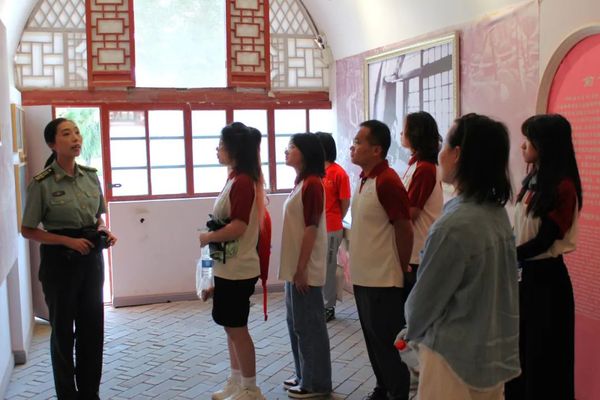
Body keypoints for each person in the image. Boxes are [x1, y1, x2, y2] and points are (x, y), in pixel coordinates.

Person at [405, 113, 520, 400]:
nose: (440, 152)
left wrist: (409, 332)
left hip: (451, 359)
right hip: (489, 355)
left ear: (457, 154)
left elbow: (423, 303)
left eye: (445, 144)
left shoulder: (453, 225)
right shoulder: (496, 214)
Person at [21, 118, 117, 400]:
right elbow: (28, 230)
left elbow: (97, 217)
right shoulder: (42, 183)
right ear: (53, 144)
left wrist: (104, 230)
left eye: (76, 132)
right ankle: (67, 394)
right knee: (63, 332)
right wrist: (67, 241)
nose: (76, 138)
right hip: (59, 263)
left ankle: (90, 392)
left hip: (91, 259)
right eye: (66, 134)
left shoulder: (90, 176)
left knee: (92, 329)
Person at [505, 114, 582, 400]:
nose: (523, 145)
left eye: (529, 139)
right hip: (524, 276)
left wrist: (505, 255)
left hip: (547, 281)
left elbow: (544, 240)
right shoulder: (532, 180)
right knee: (521, 355)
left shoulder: (563, 187)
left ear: (546, 144)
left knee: (544, 359)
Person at [199, 122, 266, 400]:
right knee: (230, 326)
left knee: (238, 328)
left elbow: (238, 226)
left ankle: (250, 388)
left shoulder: (243, 182)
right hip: (228, 266)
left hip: (239, 268)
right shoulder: (235, 178)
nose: (217, 150)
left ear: (233, 149)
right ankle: (236, 381)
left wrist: (208, 237)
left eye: (221, 145)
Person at [349, 119, 414, 400]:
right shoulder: (365, 179)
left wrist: (401, 267)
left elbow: (404, 226)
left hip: (383, 279)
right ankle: (382, 388)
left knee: (388, 343)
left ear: (377, 150)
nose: (353, 147)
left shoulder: (388, 181)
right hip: (363, 276)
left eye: (358, 142)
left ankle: (397, 393)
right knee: (372, 340)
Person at [279, 133, 332, 399]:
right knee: (296, 323)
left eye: (292, 147)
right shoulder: (301, 182)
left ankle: (316, 383)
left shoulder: (312, 184)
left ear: (306, 153)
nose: (286, 151)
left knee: (310, 325)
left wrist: (301, 269)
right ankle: (303, 374)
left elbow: (311, 229)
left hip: (305, 268)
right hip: (295, 267)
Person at [399, 112, 443, 298]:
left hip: (417, 249)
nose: (401, 133)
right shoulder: (416, 165)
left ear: (415, 134)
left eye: (404, 130)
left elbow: (411, 212)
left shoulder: (424, 168)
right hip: (414, 248)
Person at [315, 131, 351, 322]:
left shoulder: (338, 173)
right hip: (314, 227)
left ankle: (328, 306)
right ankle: (317, 303)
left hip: (331, 227)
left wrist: (336, 218)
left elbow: (345, 202)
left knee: (328, 268)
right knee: (317, 267)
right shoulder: (313, 172)